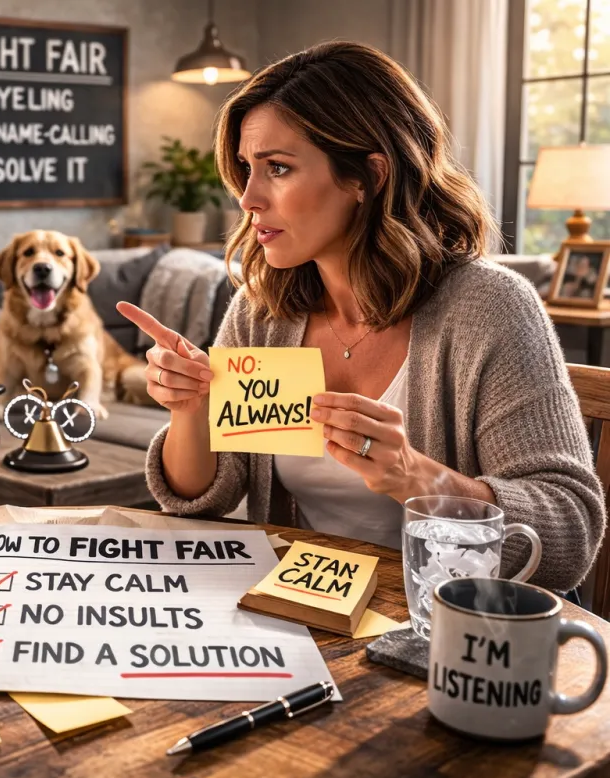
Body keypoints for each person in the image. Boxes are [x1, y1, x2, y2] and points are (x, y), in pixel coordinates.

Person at [119, 41, 604, 592]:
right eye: (247, 169)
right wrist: (191, 410)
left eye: (278, 168)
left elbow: (569, 533)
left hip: (444, 624)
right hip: (300, 614)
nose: (248, 198)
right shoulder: (263, 310)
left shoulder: (491, 310)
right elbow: (205, 498)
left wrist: (415, 476)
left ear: (368, 177)